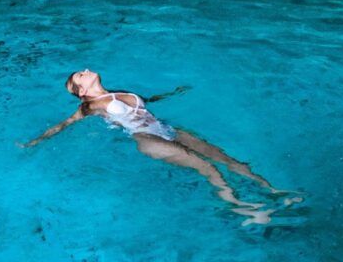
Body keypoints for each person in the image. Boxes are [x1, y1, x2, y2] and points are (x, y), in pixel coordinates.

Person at [20, 69, 294, 223]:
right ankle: (243, 209)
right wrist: (34, 142)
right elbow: (63, 125)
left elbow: (149, 100)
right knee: (205, 166)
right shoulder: (89, 106)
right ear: (81, 91)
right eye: (80, 75)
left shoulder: (121, 91)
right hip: (147, 139)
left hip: (166, 129)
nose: (86, 70)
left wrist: (175, 92)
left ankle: (275, 191)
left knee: (230, 160)